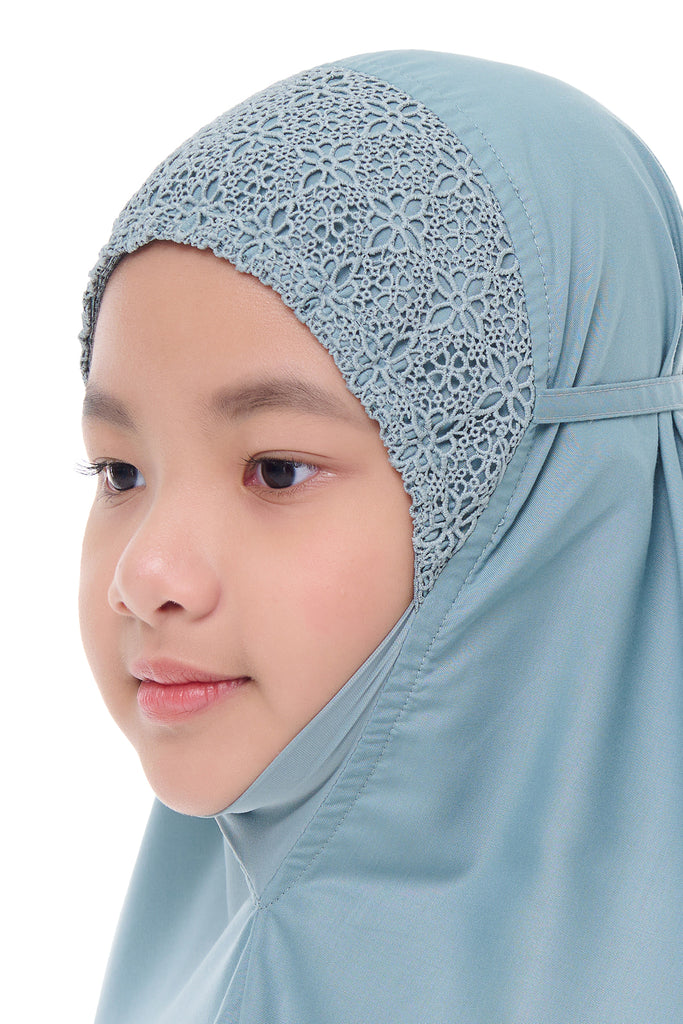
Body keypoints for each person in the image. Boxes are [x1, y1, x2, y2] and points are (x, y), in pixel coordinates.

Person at [79, 50, 683, 1023]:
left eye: (277, 470)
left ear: (544, 509)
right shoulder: (209, 938)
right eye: (119, 472)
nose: (145, 574)